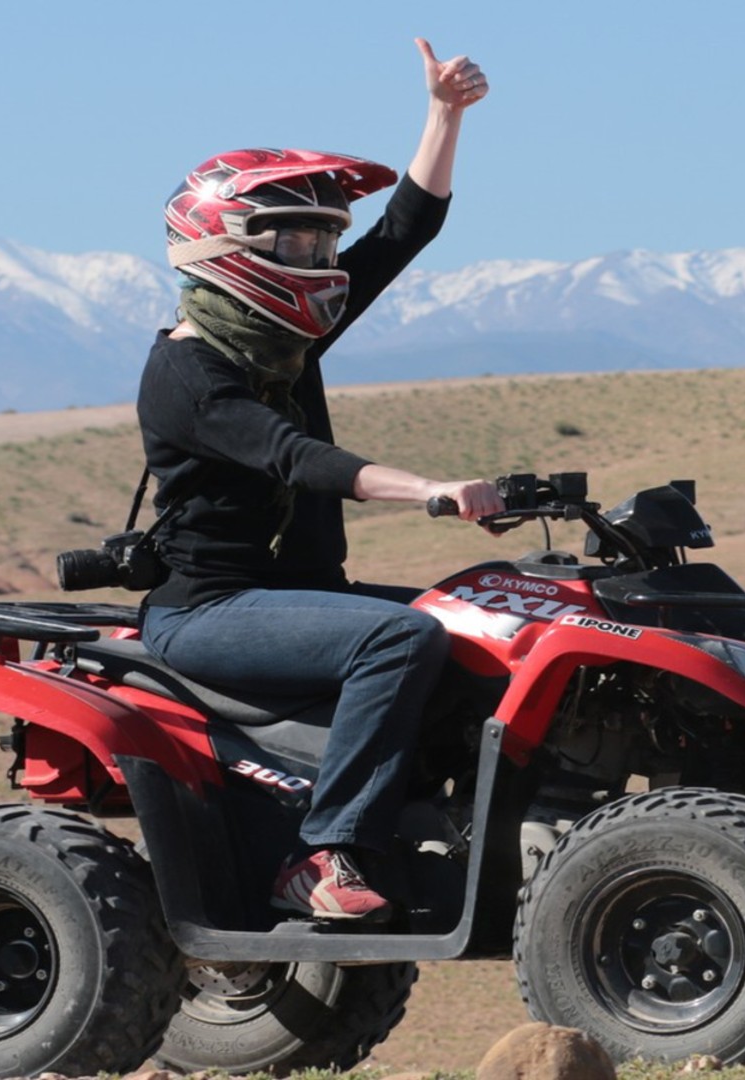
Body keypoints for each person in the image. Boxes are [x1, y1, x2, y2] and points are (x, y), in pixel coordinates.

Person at [136, 38, 502, 923]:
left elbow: (404, 231)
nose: (315, 253)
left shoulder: (286, 343)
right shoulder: (189, 374)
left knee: (485, 619)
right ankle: (321, 856)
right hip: (207, 612)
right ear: (224, 245)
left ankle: (432, 831)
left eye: (321, 236)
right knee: (395, 640)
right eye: (294, 236)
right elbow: (295, 458)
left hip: (294, 594)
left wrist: (443, 115)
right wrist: (431, 490)